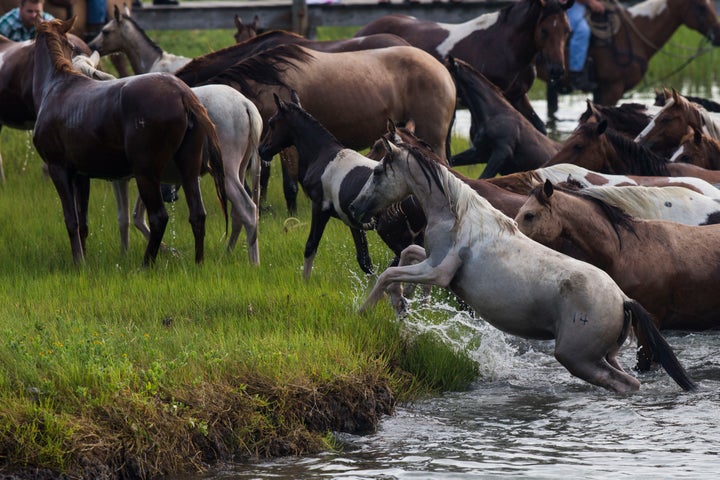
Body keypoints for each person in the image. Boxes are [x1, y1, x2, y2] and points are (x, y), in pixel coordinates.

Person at [567, 0, 606, 91]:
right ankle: (575, 73)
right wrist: (590, 2)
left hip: (580, 6)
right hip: (570, 5)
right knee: (583, 31)